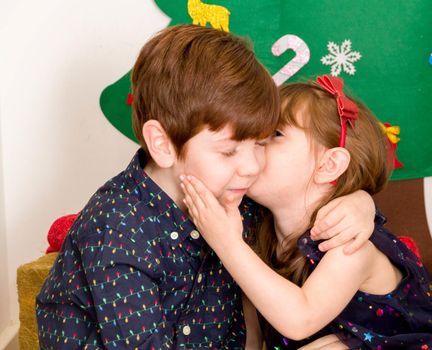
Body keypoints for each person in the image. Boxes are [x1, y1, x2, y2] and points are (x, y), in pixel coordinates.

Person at [36, 26, 376, 349]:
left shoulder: (237, 197)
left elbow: (302, 200)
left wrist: (360, 205)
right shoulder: (118, 229)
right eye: (228, 151)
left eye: (260, 144)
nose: (253, 166)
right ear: (163, 144)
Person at [181, 76, 432, 349]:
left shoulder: (349, 246)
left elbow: (299, 318)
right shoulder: (253, 224)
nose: (254, 144)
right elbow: (251, 326)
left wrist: (227, 243)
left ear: (329, 165)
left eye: (275, 134)